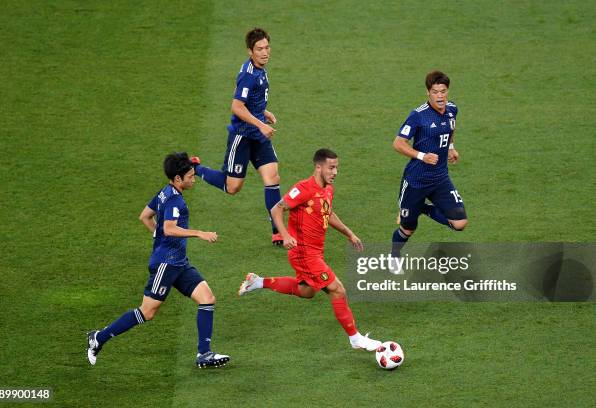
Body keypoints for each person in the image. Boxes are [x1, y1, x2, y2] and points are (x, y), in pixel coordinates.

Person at [87, 152, 230, 368]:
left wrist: (159, 237)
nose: (193, 179)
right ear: (178, 179)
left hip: (178, 262)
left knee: (207, 298)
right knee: (148, 311)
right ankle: (98, 337)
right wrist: (199, 233)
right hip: (166, 264)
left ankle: (204, 354)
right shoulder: (174, 199)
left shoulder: (164, 192)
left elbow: (145, 216)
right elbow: (169, 228)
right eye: (190, 176)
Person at [238, 148, 382, 351]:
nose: (335, 172)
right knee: (337, 289)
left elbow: (327, 213)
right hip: (304, 253)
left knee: (307, 291)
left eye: (337, 168)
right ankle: (355, 338)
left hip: (315, 251)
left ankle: (258, 282)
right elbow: (276, 209)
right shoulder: (303, 189)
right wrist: (285, 235)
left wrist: (349, 233)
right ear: (318, 167)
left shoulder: (328, 189)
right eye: (331, 168)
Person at [192, 27, 283, 245]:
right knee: (233, 187)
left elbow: (253, 101)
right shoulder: (248, 75)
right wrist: (260, 123)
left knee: (273, 178)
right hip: (242, 137)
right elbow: (237, 107)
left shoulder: (260, 68)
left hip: (258, 136)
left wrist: (264, 112)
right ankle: (193, 168)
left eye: (267, 47)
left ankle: (277, 231)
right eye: (259, 49)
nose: (265, 52)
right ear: (250, 51)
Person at [390, 71, 468, 272]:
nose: (440, 96)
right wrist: (422, 156)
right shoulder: (418, 115)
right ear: (428, 92)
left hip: (441, 178)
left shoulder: (452, 109)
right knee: (408, 228)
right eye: (435, 92)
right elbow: (398, 143)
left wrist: (451, 147)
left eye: (443, 91)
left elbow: (451, 128)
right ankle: (394, 255)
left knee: (459, 223)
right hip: (416, 180)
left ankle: (422, 209)